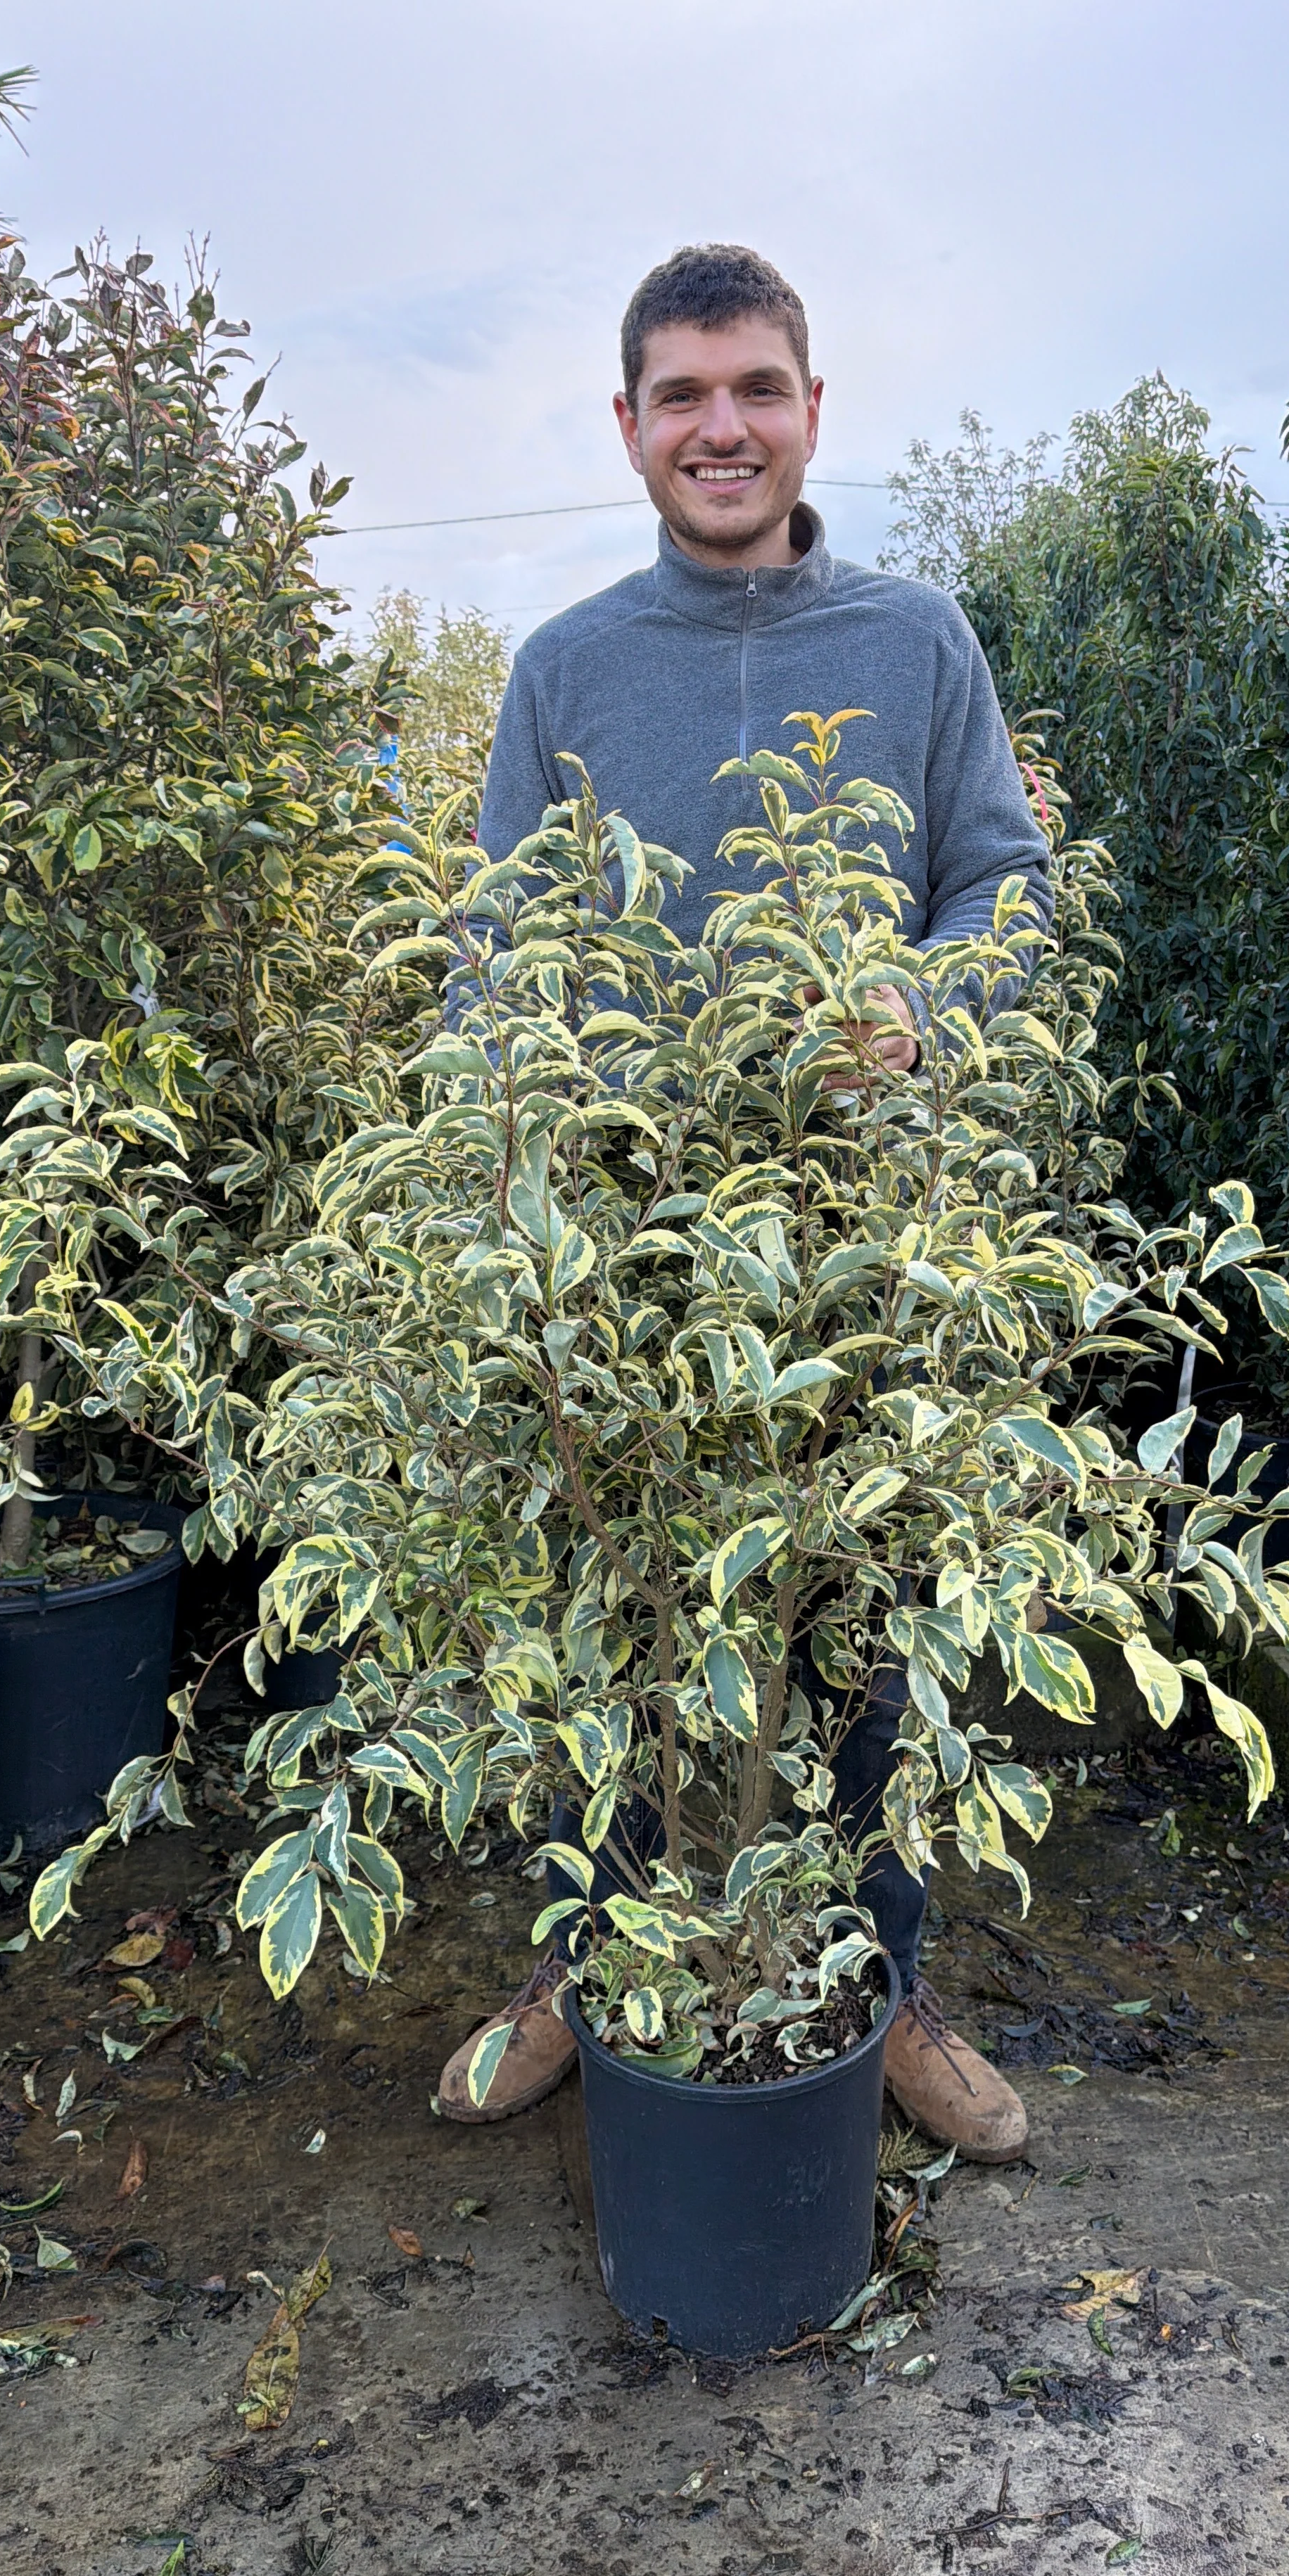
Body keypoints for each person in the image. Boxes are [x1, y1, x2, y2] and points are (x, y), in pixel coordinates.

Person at [436, 243, 1052, 2162]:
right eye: (684, 395)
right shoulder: (566, 672)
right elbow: (488, 958)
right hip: (618, 1243)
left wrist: (923, 1011)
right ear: (630, 428)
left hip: (863, 1241)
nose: (724, 426)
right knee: (609, 1616)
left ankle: (884, 1991)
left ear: (811, 410)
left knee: (858, 1623)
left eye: (756, 388)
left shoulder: (920, 644)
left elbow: (1006, 887)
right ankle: (579, 1963)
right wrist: (517, 1165)